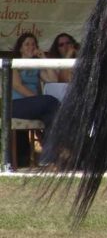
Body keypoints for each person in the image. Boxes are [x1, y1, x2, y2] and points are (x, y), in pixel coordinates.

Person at [10, 33, 60, 164]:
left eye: (33, 44)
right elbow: (17, 86)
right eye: (27, 44)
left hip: (33, 104)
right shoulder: (14, 64)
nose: (31, 47)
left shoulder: (36, 67)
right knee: (50, 101)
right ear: (20, 48)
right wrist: (39, 100)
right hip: (15, 105)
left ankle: (48, 157)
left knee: (52, 114)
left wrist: (43, 58)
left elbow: (53, 80)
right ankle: (50, 155)